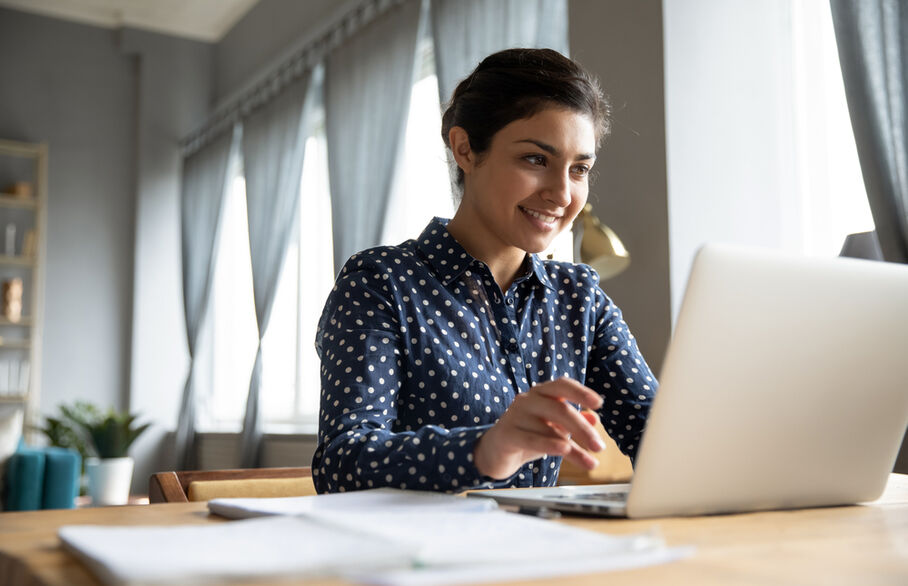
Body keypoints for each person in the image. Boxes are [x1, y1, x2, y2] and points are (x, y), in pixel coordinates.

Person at [312, 48, 656, 493]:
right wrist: (485, 449)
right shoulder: (381, 283)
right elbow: (342, 463)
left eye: (579, 169)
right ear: (465, 149)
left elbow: (659, 436)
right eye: (536, 159)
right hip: (418, 555)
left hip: (540, 552)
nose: (562, 193)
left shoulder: (579, 298)